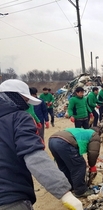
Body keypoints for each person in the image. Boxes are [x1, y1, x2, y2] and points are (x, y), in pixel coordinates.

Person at [0, 79, 83, 210]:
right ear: (13, 95)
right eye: (25, 100)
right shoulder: (18, 117)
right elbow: (34, 156)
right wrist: (65, 193)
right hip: (11, 198)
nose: (27, 104)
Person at [48, 127, 101, 198]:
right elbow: (93, 153)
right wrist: (92, 166)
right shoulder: (95, 135)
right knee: (79, 166)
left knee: (65, 166)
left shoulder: (83, 131)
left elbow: (79, 146)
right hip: (64, 143)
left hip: (52, 141)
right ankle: (80, 191)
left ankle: (70, 186)